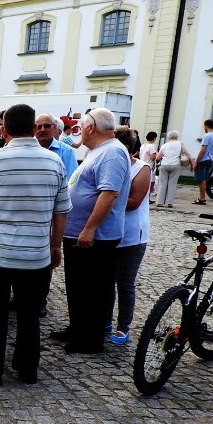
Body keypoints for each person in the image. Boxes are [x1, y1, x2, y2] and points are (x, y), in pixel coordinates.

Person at [0, 103, 71, 386]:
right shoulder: (54, 162)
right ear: (34, 129)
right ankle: (27, 369)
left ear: (3, 129)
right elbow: (61, 211)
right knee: (30, 314)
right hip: (36, 254)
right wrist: (55, 247)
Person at [51, 108, 130, 354]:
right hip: (79, 233)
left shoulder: (113, 152)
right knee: (77, 286)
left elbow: (109, 194)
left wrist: (89, 229)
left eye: (81, 126)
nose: (78, 131)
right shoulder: (98, 151)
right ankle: (77, 328)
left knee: (94, 289)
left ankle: (91, 339)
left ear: (91, 127)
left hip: (95, 237)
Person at [107, 126, 150, 345]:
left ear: (129, 149)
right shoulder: (109, 166)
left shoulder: (142, 169)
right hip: (108, 232)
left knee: (125, 283)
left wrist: (103, 198)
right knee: (106, 281)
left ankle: (123, 327)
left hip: (132, 236)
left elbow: (133, 203)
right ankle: (105, 320)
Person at [154, 130, 191, 207]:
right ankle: (169, 202)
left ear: (169, 136)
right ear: (177, 136)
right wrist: (192, 163)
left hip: (164, 164)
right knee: (172, 184)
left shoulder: (164, 145)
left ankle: (159, 202)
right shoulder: (180, 144)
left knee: (162, 183)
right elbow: (187, 154)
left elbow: (158, 157)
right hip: (175, 164)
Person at [35, 113, 77, 180]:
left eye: (46, 126)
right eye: (39, 127)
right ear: (34, 129)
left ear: (54, 127)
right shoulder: (28, 150)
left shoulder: (66, 151)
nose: (42, 130)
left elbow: (71, 180)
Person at [192, 119, 213, 204]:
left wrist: (196, 161)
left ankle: (202, 198)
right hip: (210, 158)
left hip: (203, 159)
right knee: (204, 179)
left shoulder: (206, 136)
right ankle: (202, 197)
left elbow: (202, 150)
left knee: (201, 179)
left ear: (206, 126)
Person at [139, 131, 159, 198]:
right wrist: (157, 155)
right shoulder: (152, 146)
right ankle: (148, 197)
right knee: (151, 182)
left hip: (142, 165)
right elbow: (153, 157)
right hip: (149, 166)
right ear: (153, 138)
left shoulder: (143, 145)